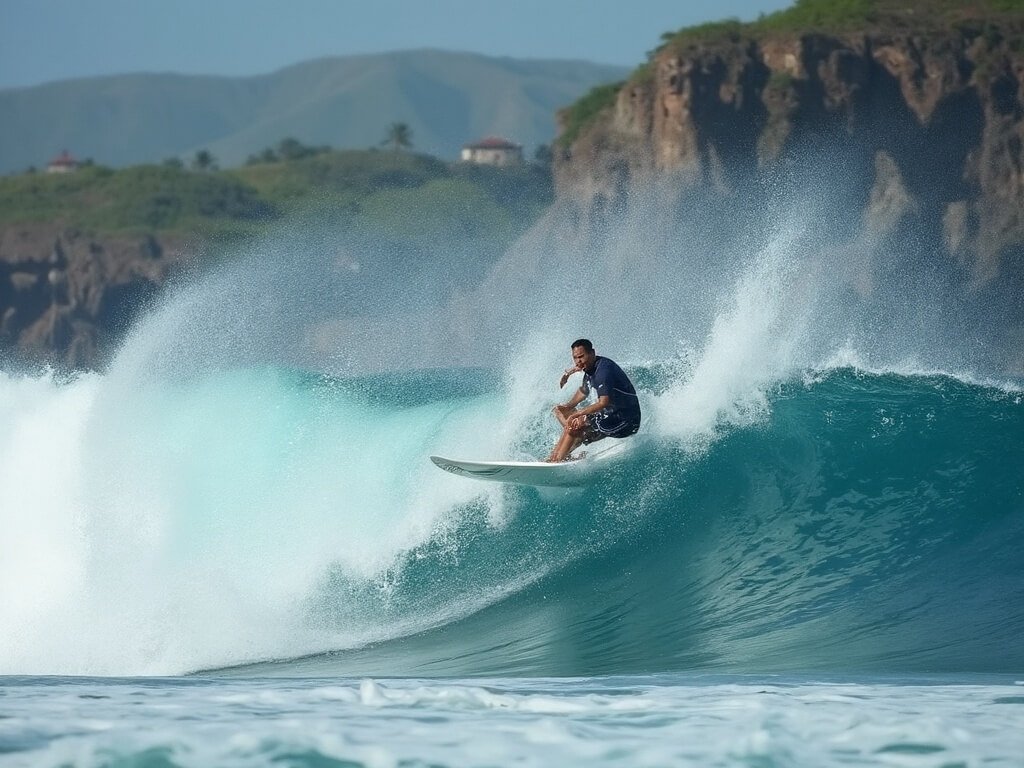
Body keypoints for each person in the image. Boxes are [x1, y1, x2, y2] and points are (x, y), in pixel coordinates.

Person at [547, 339, 641, 462]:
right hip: (610, 415)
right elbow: (584, 390)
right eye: (575, 358)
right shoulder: (590, 367)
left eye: (581, 357)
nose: (578, 361)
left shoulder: (603, 371)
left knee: (576, 424)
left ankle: (556, 460)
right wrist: (568, 406)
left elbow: (604, 402)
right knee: (561, 412)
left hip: (625, 421)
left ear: (592, 353)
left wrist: (579, 413)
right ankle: (560, 455)